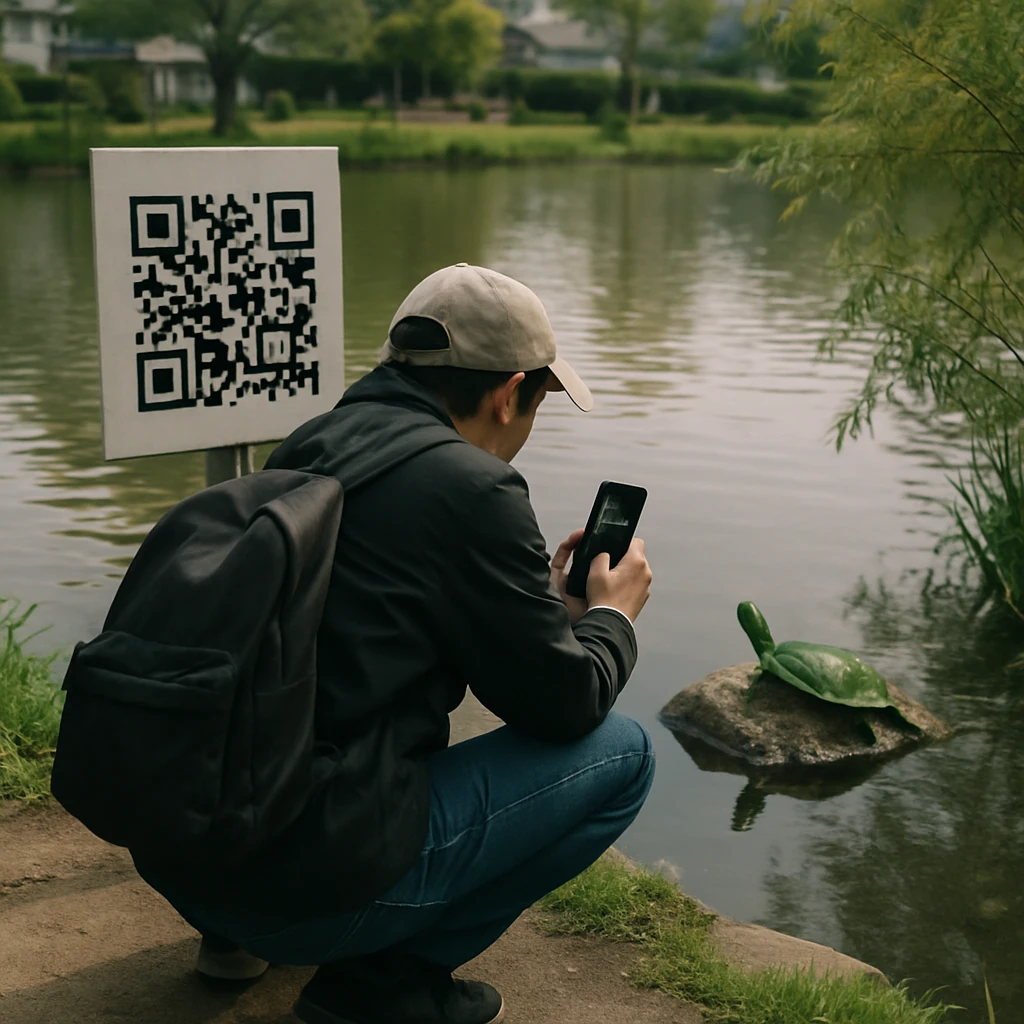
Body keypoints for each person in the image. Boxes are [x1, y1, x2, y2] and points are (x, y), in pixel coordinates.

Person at [133, 263, 655, 1024]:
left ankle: (236, 937)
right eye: (540, 401)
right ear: (510, 392)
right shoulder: (474, 488)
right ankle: (380, 987)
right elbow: (564, 707)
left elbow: (376, 619)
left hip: (190, 855)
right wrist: (613, 618)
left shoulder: (315, 442)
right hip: (303, 887)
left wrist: (540, 601)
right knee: (624, 753)